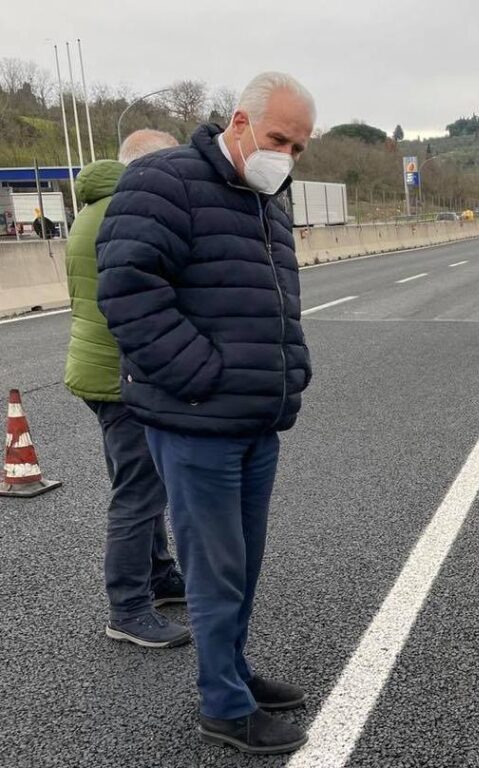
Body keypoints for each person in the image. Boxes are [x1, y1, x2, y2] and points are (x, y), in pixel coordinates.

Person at [96, 72, 315, 755]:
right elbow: (128, 291)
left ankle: (235, 671)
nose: (288, 156)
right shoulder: (165, 182)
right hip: (196, 423)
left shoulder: (267, 196)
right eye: (281, 138)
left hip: (255, 420)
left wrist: (287, 372)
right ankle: (222, 704)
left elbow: (269, 300)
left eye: (301, 147)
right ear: (241, 125)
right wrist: (203, 376)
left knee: (242, 563)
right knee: (214, 566)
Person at [64, 129, 190, 649]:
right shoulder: (130, 213)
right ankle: (128, 607)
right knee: (138, 493)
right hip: (124, 374)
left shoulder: (93, 210)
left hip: (99, 369)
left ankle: (158, 577)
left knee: (140, 481)